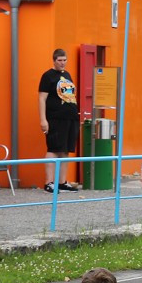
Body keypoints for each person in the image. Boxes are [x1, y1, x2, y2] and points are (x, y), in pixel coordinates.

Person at [38, 48, 80, 193]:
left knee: (66, 150)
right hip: (55, 118)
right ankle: (49, 182)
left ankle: (62, 182)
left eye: (64, 60)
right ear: (54, 60)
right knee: (53, 148)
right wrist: (43, 119)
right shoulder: (47, 76)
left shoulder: (67, 75)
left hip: (70, 117)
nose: (62, 63)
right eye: (59, 60)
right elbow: (42, 98)